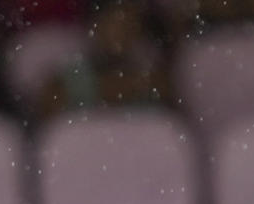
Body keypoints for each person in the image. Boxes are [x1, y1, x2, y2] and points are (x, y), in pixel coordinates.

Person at [37, 0, 169, 123]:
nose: (123, 32)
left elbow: (165, 93)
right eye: (115, 22)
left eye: (130, 23)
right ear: (97, 24)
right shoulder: (69, 75)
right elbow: (52, 102)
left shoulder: (153, 75)